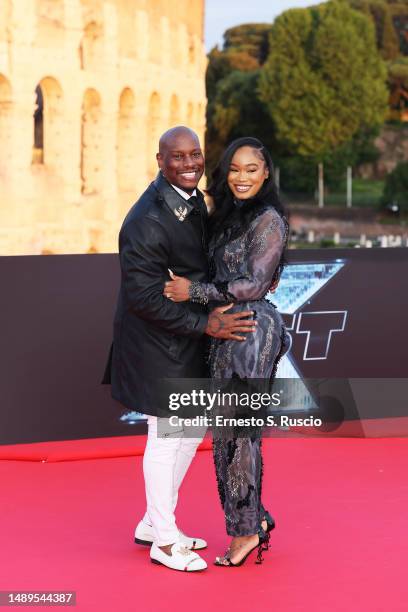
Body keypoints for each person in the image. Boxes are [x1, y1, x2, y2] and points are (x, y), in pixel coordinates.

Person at [102, 127, 257, 572]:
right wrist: (207, 322)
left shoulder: (191, 200)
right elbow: (145, 299)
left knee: (188, 434)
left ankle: (155, 522)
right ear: (159, 160)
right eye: (178, 157)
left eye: (195, 154)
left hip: (182, 339)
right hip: (155, 344)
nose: (189, 163)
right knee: (166, 437)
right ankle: (165, 541)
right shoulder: (145, 221)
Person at [164, 136, 289, 567]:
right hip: (224, 330)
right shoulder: (229, 216)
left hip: (252, 331)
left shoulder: (269, 219)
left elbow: (254, 283)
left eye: (251, 169)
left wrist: (191, 291)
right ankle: (254, 520)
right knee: (227, 438)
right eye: (234, 169)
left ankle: (245, 533)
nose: (241, 177)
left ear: (266, 172)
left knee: (239, 436)